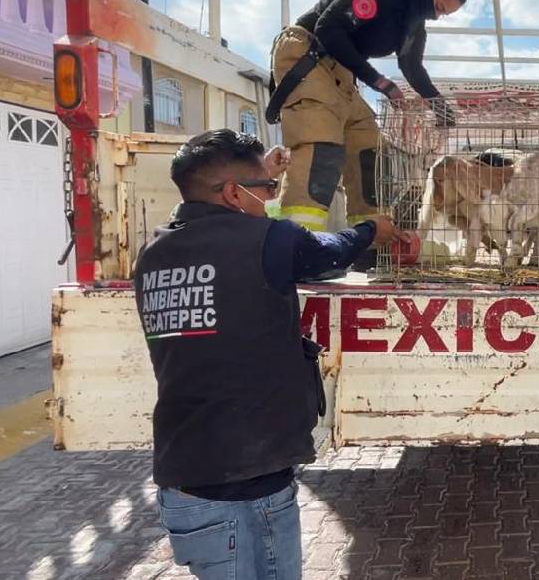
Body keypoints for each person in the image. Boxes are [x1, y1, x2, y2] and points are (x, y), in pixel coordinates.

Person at [133, 129, 398, 580]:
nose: (272, 197)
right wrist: (375, 229)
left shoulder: (152, 255)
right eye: (267, 189)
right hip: (248, 490)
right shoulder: (264, 241)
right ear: (235, 193)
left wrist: (263, 176)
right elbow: (330, 253)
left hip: (186, 480)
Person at [268, 0, 469, 237]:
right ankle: (297, 247)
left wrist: (439, 107)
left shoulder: (413, 26)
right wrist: (380, 82)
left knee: (370, 150)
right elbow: (328, 28)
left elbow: (412, 67)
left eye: (443, 14)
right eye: (437, 6)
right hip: (307, 52)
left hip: (341, 72)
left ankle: (368, 241)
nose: (436, 16)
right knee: (320, 144)